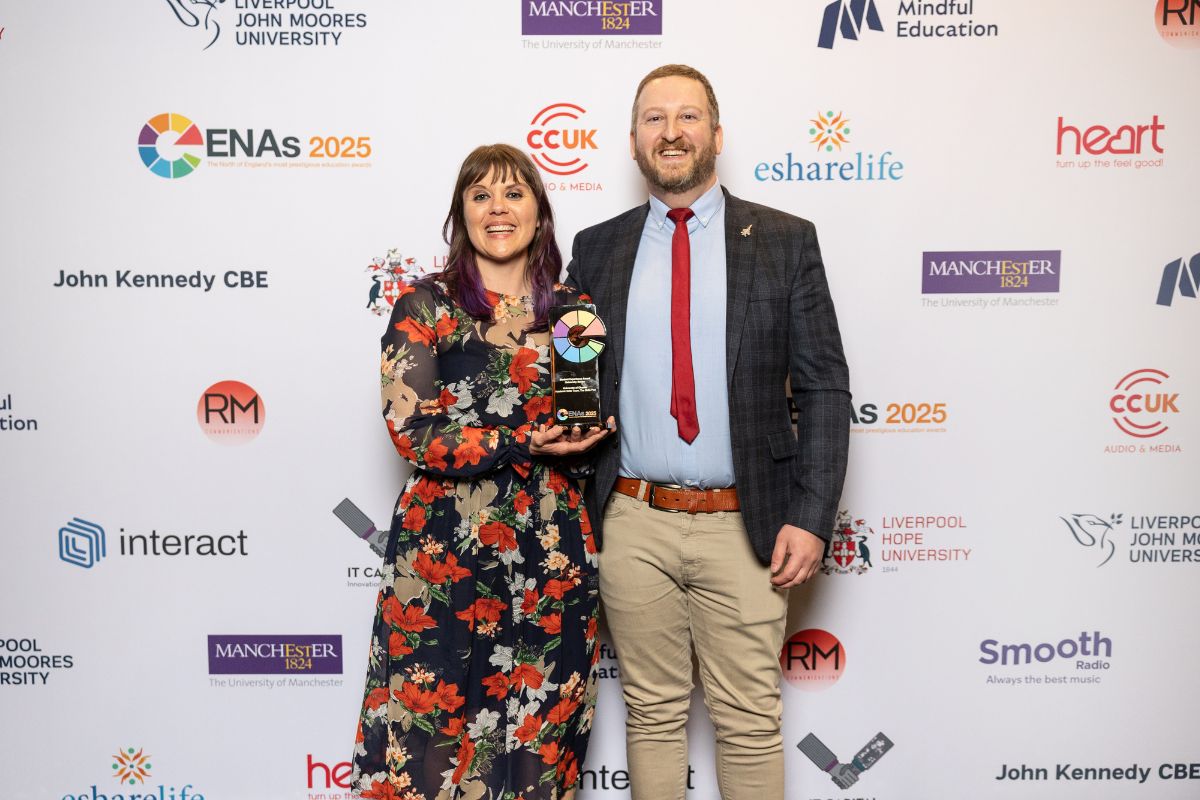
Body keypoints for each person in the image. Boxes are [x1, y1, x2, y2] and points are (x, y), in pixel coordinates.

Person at [566, 65, 851, 800]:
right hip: (632, 517)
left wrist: (812, 515)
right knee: (652, 715)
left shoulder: (786, 240)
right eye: (654, 119)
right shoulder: (595, 249)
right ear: (633, 141)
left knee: (749, 719)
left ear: (716, 135)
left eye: (688, 116)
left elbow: (823, 386)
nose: (671, 132)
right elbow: (576, 376)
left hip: (745, 522)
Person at [351, 144, 612, 800]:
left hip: (550, 548)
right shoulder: (423, 307)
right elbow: (411, 431)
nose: (499, 208)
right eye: (482, 195)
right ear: (460, 215)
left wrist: (586, 435)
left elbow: (579, 418)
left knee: (541, 735)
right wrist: (527, 438)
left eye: (515, 193)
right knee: (429, 735)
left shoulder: (573, 310)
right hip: (444, 547)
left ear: (540, 214)